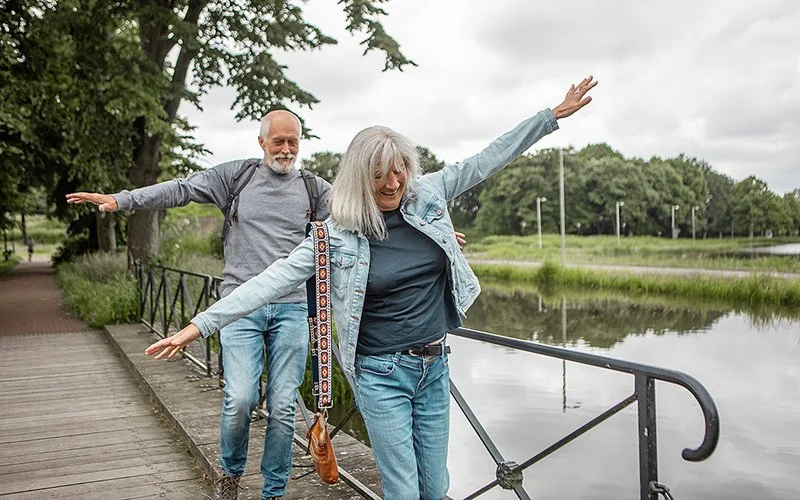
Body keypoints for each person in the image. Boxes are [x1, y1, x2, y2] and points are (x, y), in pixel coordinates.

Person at [145, 76, 598, 499]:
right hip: (381, 374)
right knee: (403, 489)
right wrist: (199, 326)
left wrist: (551, 116)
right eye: (380, 173)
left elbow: (485, 160)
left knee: (436, 487)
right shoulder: (335, 234)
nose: (393, 182)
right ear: (361, 177)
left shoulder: (427, 197)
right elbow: (270, 280)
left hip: (435, 365)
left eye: (400, 169)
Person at [67, 110, 331, 500]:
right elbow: (180, 189)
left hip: (292, 308)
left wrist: (427, 229)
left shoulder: (315, 190)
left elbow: (358, 219)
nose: (287, 149)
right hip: (238, 307)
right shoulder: (236, 177)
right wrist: (122, 200)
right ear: (262, 142)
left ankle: (273, 491)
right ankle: (230, 475)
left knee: (282, 409)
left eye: (294, 141)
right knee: (240, 398)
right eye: (279, 141)